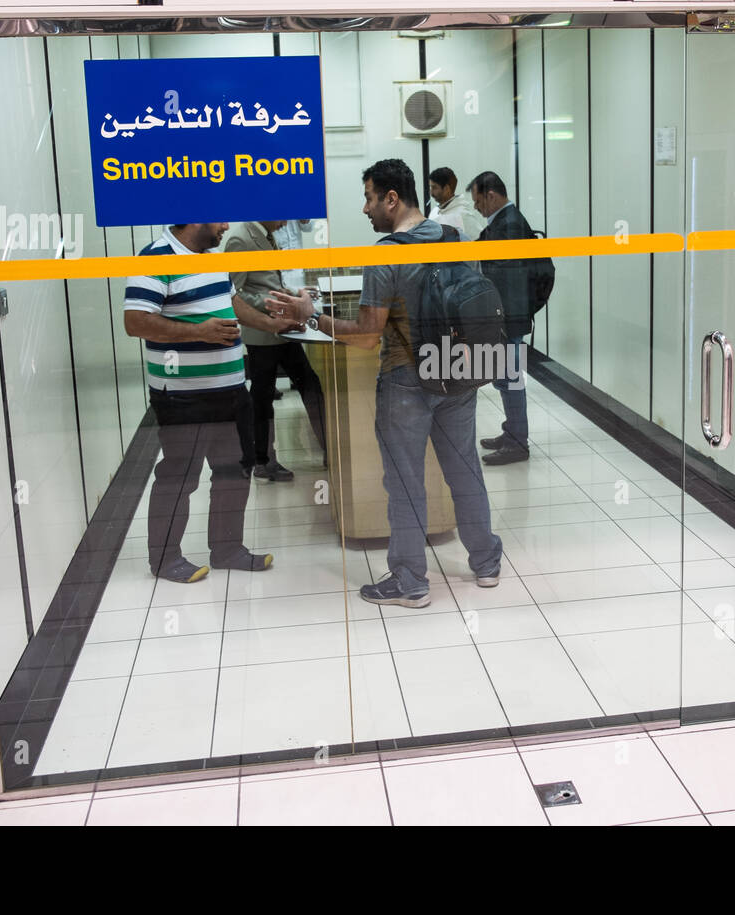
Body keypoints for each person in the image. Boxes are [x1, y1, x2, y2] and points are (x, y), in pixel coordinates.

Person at [266, 159, 503, 608]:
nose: (365, 208)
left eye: (369, 198)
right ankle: (486, 563)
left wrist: (310, 316)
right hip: (457, 370)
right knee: (465, 470)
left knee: (405, 480)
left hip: (406, 381)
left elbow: (367, 336)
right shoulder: (454, 238)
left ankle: (411, 582)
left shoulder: (384, 254)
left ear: (392, 199)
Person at [123, 222, 288, 583]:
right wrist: (199, 332)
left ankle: (228, 550)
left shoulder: (211, 259)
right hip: (182, 395)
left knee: (234, 470)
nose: (226, 226)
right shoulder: (155, 259)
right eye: (219, 219)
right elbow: (135, 322)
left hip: (229, 389)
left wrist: (273, 325)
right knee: (180, 476)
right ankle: (165, 559)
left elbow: (233, 304)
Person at [224, 220, 329, 481]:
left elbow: (268, 281)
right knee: (262, 397)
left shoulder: (267, 235)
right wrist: (273, 304)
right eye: (282, 213)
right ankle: (261, 461)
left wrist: (293, 294)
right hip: (262, 334)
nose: (286, 221)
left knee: (310, 385)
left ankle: (330, 447)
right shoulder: (240, 240)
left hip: (282, 332)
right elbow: (233, 293)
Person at [470, 170, 547, 465]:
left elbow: (504, 275)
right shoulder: (503, 221)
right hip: (507, 316)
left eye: (478, 201)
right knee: (505, 379)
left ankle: (518, 443)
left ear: (491, 195)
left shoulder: (510, 224)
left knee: (511, 380)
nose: (476, 208)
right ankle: (512, 432)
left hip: (509, 317)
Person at [427, 166, 485, 240]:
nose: (431, 192)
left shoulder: (462, 215)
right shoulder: (434, 211)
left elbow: (479, 242)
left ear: (446, 189)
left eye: (434, 188)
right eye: (430, 187)